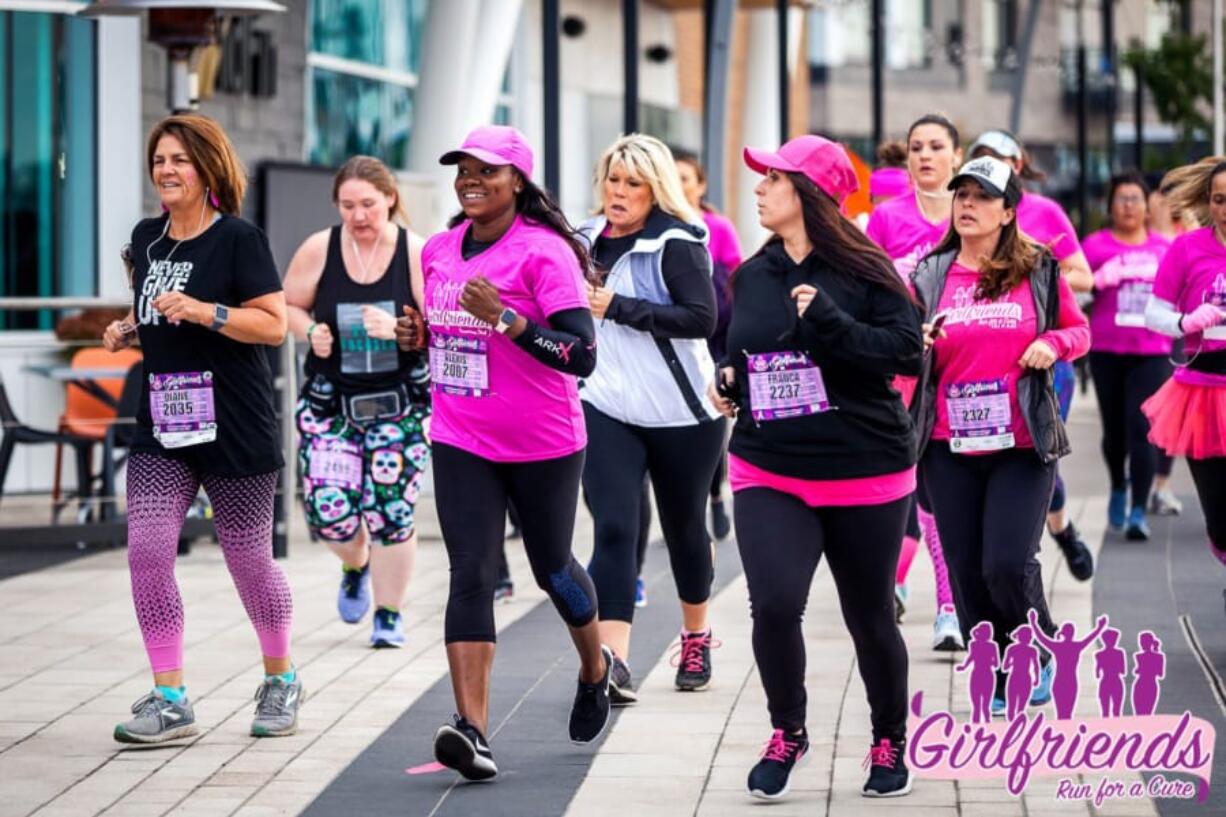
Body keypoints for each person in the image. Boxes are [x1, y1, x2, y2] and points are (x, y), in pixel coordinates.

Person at [711, 135, 923, 799]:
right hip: (770, 464)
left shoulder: (869, 272)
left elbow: (906, 354)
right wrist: (730, 380)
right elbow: (742, 352)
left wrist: (830, 320)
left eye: (772, 178)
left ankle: (888, 737)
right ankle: (788, 730)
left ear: (810, 193)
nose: (759, 188)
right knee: (773, 604)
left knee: (870, 617)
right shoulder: (751, 275)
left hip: (864, 467)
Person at [398, 125, 609, 781]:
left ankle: (595, 666)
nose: (471, 179)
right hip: (461, 436)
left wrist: (509, 320)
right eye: (463, 168)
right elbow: (442, 336)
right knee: (472, 570)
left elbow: (582, 355)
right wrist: (416, 337)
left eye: (486, 170)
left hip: (543, 442)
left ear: (517, 180)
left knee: (552, 568)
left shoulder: (543, 254)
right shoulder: (437, 249)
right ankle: (473, 730)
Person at [102, 114, 301, 743]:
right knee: (147, 552)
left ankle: (281, 678)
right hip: (164, 423)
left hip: (235, 425)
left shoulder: (240, 239)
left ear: (208, 168)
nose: (166, 170)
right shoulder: (147, 238)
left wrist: (205, 311)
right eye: (159, 159)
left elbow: (272, 326)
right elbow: (160, 314)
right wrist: (129, 329)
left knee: (246, 559)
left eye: (179, 160)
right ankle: (171, 698)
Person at [912, 156, 1091, 717]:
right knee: (966, 568)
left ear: (1008, 211)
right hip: (948, 445)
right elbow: (904, 353)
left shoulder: (1039, 269)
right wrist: (913, 343)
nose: (966, 203)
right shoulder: (931, 273)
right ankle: (995, 663)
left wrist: (1054, 346)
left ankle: (1039, 648)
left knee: (1007, 563)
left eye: (982, 196)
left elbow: (1078, 330)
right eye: (961, 194)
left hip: (1020, 442)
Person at [578, 134, 725, 702]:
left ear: (654, 188)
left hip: (682, 411)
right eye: (614, 179)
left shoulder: (677, 241)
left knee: (685, 527)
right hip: (607, 403)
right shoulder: (584, 239)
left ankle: (696, 634)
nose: (619, 191)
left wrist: (618, 307)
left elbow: (701, 318)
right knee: (615, 525)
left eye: (633, 183)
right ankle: (614, 658)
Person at [283, 156, 430, 648]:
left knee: (391, 513)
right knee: (331, 515)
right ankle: (355, 563)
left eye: (368, 204)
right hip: (331, 404)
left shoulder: (414, 252)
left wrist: (400, 330)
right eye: (348, 206)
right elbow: (287, 303)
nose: (359, 215)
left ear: (390, 198)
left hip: (399, 404)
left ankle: (388, 614)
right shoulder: (320, 248)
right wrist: (311, 331)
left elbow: (443, 327)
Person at [967, 130, 1094, 575]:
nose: (988, 172)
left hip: (1037, 363)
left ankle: (1054, 532)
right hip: (974, 372)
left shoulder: (1045, 213)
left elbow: (1084, 278)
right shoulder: (961, 220)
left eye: (999, 161)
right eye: (979, 162)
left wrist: (1027, 270)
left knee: (1035, 453)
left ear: (1017, 167)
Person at [865, 114, 963, 650]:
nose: (924, 156)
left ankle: (950, 608)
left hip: (962, 369)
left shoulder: (970, 212)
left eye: (935, 146)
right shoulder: (887, 218)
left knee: (942, 490)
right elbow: (872, 289)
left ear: (956, 153)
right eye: (916, 147)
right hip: (905, 366)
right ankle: (910, 593)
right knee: (911, 487)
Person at [1142, 157, 1226, 570]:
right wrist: (1185, 321)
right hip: (1204, 393)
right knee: (1220, 517)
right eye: (1220, 200)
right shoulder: (1188, 248)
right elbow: (1152, 313)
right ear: (1208, 203)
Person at [1083, 172, 1173, 543]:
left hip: (1152, 353)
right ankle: (1118, 485)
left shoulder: (1164, 249)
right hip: (1106, 350)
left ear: (1147, 205)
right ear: (1110, 206)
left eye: (1136, 198)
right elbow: (1075, 296)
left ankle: (1138, 508)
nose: (1129, 206)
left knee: (1142, 430)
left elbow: (1178, 296)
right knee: (1114, 433)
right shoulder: (1094, 245)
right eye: (1121, 199)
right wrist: (1098, 281)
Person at [676, 149, 743, 541]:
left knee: (711, 420)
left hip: (713, 338)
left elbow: (733, 283)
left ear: (700, 185)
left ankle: (715, 494)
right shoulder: (659, 225)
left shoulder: (717, 227)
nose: (680, 185)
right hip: (672, 341)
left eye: (686, 178)